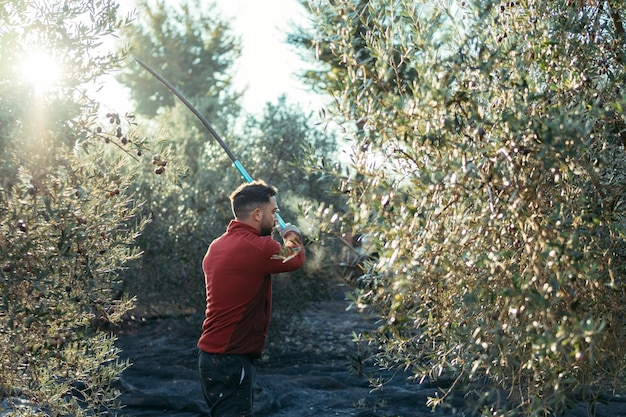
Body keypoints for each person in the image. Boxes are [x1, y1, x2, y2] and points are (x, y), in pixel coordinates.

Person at [197, 180, 305, 417]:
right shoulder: (258, 247)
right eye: (273, 212)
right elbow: (294, 258)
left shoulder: (217, 245)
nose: (276, 218)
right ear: (257, 214)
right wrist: (292, 233)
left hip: (211, 358)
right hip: (230, 359)